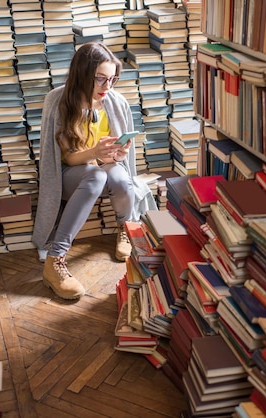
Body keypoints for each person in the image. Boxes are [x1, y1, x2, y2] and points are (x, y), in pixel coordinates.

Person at [32, 42, 156, 300]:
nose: (107, 87)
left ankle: (126, 227)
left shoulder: (115, 102)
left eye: (112, 79)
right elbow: (66, 158)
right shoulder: (58, 101)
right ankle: (55, 260)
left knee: (121, 178)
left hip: (102, 165)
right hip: (72, 173)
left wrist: (118, 153)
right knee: (96, 175)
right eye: (100, 79)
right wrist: (94, 155)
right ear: (82, 74)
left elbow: (115, 156)